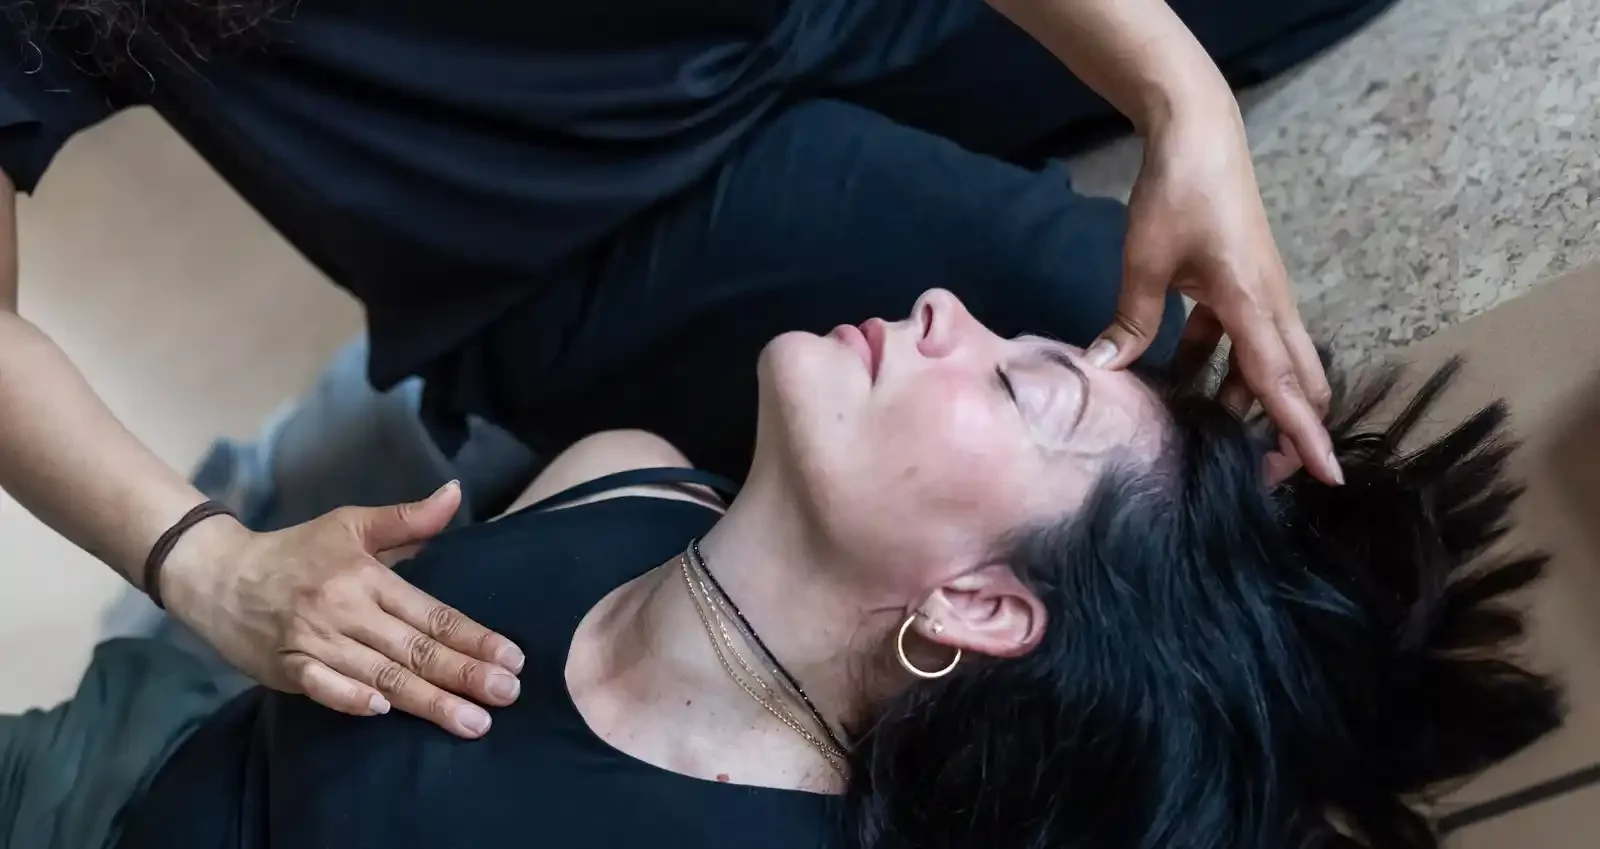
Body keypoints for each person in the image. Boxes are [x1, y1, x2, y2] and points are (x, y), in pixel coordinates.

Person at [0, 0, 1393, 735]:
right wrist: (199, 559)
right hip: (588, 231)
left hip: (808, 17)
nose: (938, 320)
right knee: (1133, 367)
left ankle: (362, 440)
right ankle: (348, 456)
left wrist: (1175, 92)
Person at [1, 289, 1563, 849]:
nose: (948, 306)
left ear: (982, 602)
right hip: (128, 735)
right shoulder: (624, 477)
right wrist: (207, 567)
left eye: (1020, 382)